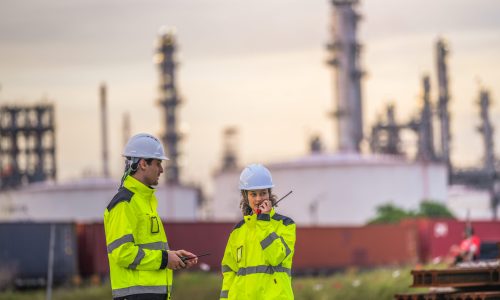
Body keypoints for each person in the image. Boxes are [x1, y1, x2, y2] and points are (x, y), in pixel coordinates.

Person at [104, 133, 198, 300]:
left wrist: (173, 256)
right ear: (142, 164)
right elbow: (123, 253)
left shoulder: (144, 202)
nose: (162, 169)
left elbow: (148, 249)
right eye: (158, 163)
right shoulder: (124, 203)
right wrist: (164, 259)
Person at [220, 163, 296, 299]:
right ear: (245, 196)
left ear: (269, 194)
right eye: (253, 194)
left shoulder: (286, 225)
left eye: (263, 193)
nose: (258, 199)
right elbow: (229, 272)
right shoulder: (238, 231)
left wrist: (263, 222)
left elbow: (276, 257)